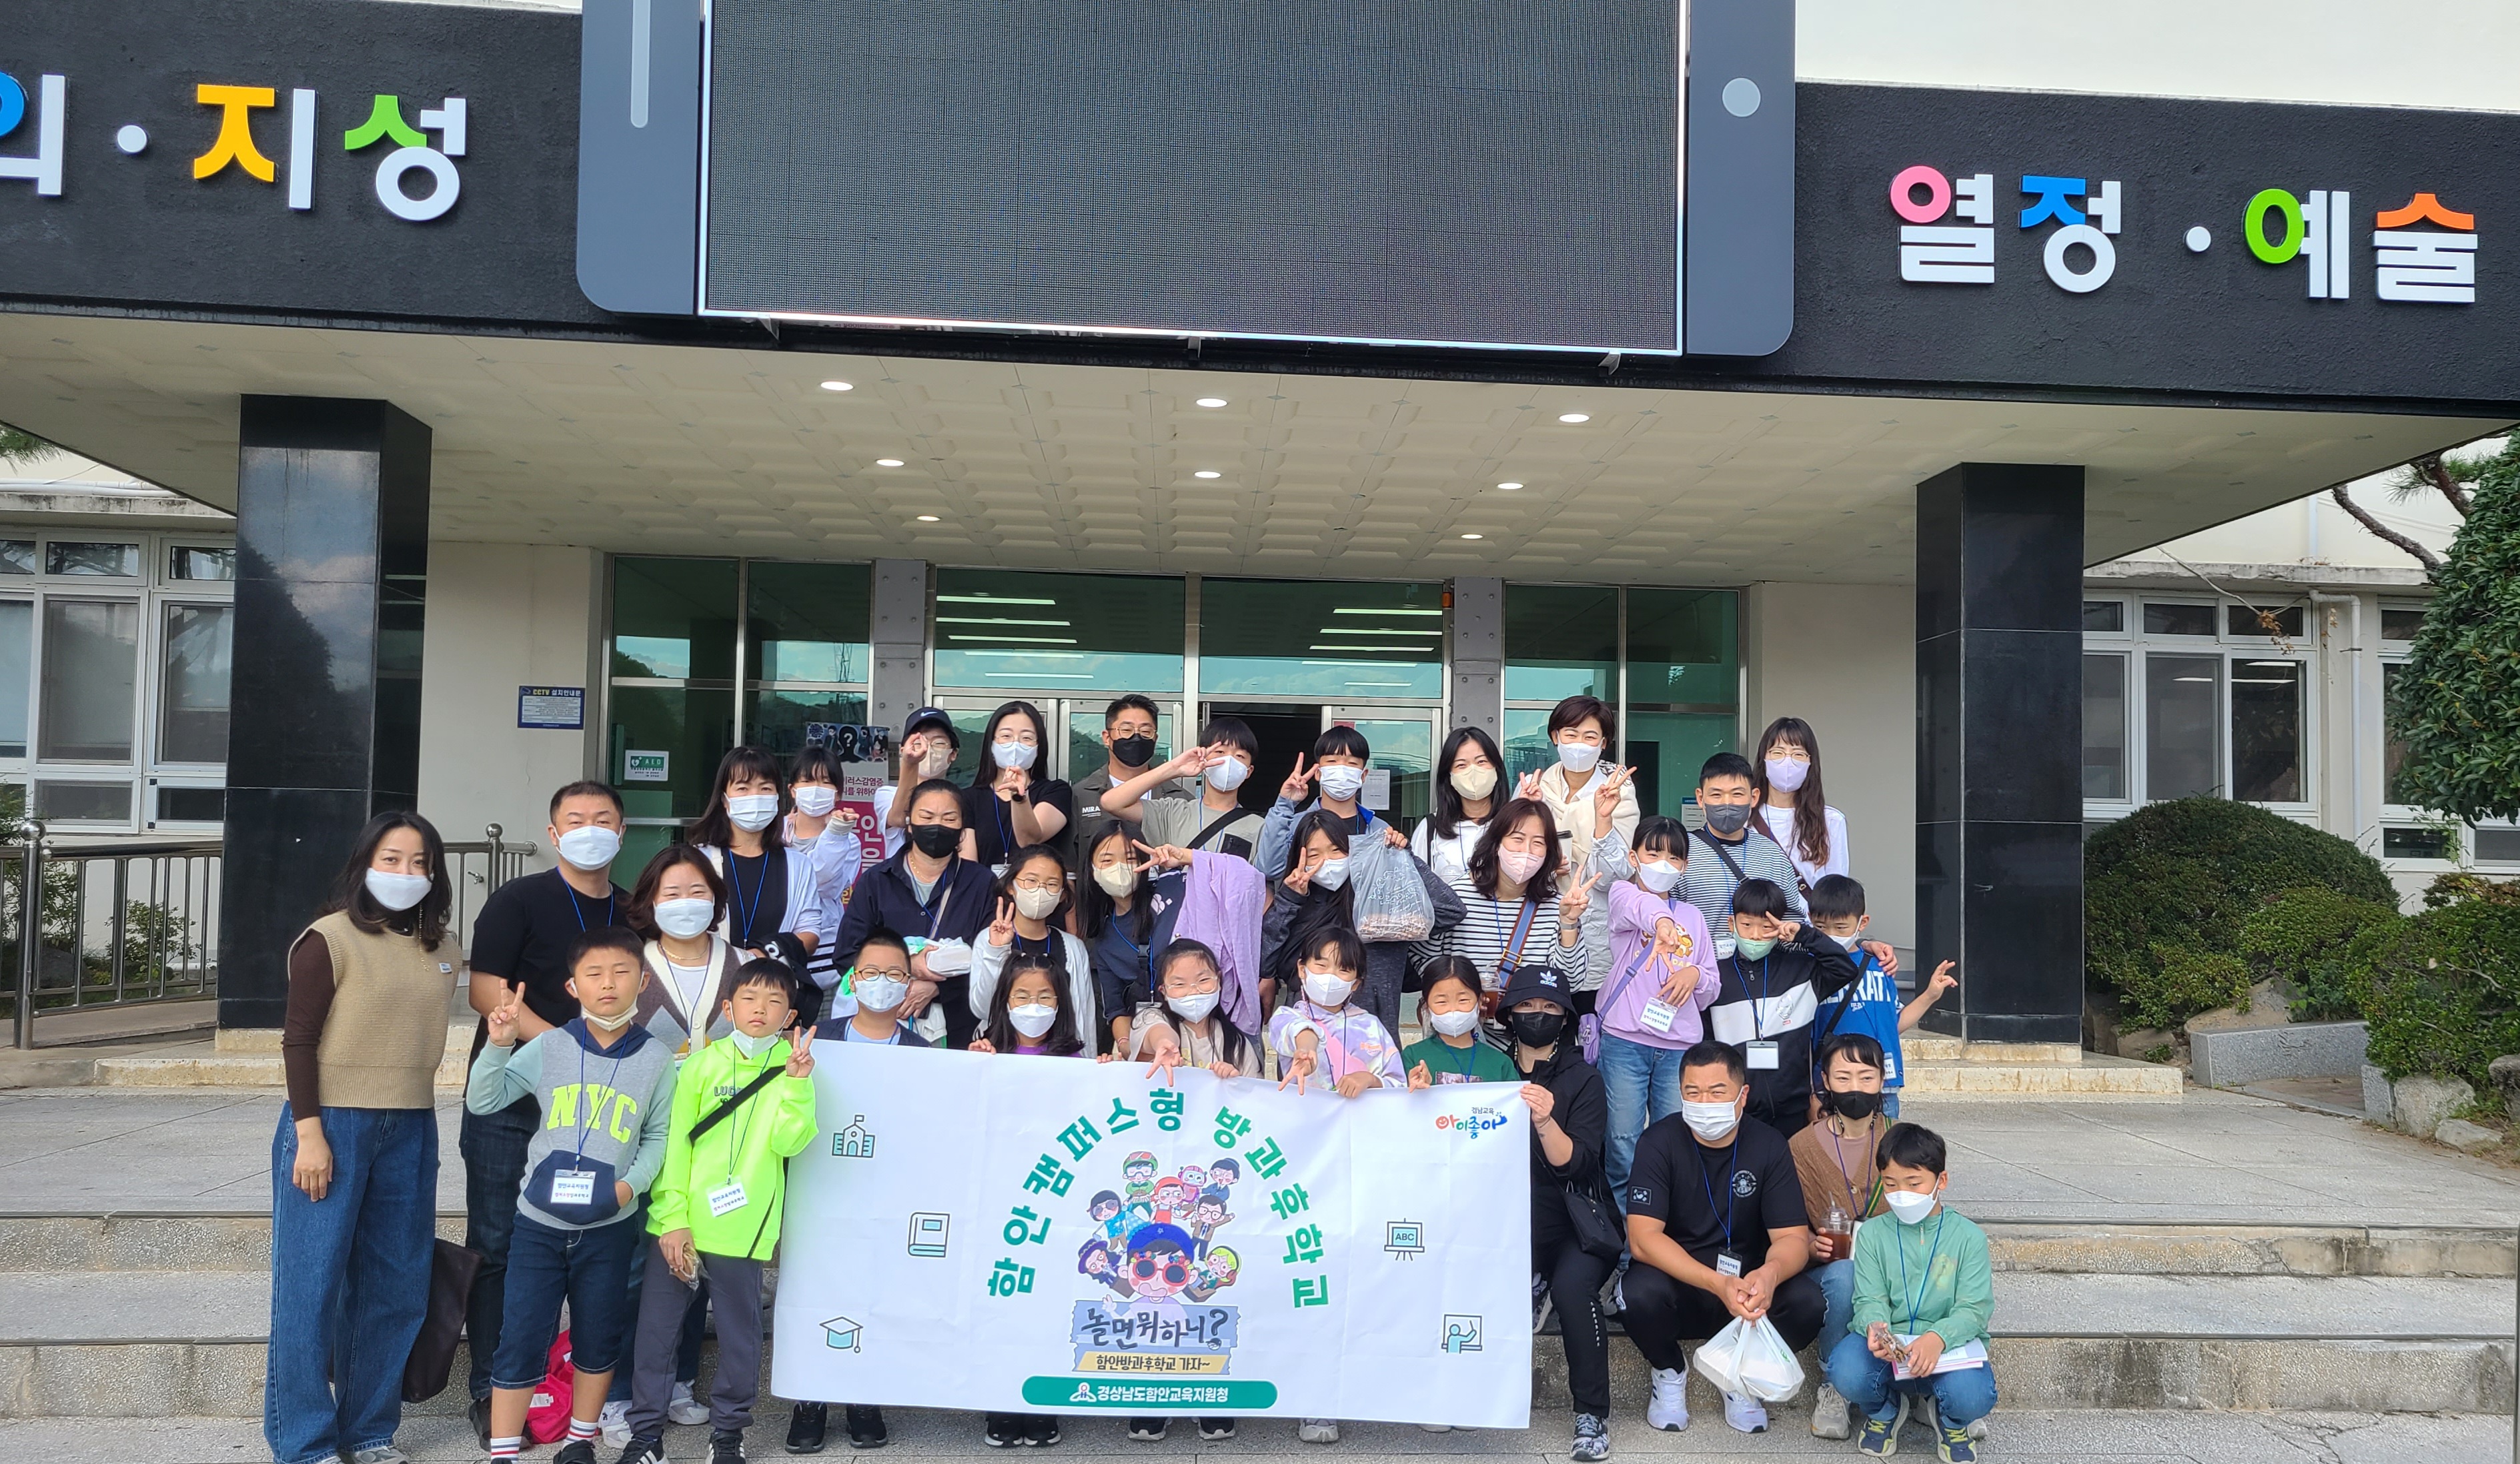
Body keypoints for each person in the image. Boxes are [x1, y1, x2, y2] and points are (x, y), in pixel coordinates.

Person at [267, 811, 460, 1464]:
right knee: (311, 1285)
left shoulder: (444, 948)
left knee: (397, 1285)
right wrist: (309, 1133)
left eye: (419, 862)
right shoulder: (328, 938)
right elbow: (298, 1039)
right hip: (330, 1123)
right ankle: (305, 1441)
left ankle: (369, 1430)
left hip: (411, 1124)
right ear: (364, 863)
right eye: (392, 858)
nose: (406, 873)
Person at [462, 781, 636, 1443]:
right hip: (515, 1099)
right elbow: (486, 988)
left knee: (593, 1241)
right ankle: (492, 1386)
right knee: (501, 1240)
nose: (590, 828)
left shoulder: (633, 909)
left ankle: (576, 1384)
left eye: (604, 818)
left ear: (622, 830)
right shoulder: (519, 898)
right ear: (555, 831)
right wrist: (563, 1048)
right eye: (576, 819)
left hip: (599, 1106)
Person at [466, 928, 678, 1464]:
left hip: (609, 1223)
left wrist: (631, 1186)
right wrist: (498, 1042)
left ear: (643, 981)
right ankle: (504, 1452)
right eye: (594, 974)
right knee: (521, 1335)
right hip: (539, 1223)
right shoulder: (551, 1045)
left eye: (621, 972)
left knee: (598, 1335)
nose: (608, 984)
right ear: (572, 985)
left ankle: (580, 1442)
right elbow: (485, 1098)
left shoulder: (657, 1059)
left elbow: (658, 1136)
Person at [618, 960, 818, 1464]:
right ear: (728, 1007)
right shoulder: (699, 1066)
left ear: (789, 1014)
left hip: (743, 1232)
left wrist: (796, 1083)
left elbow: (790, 1141)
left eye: (774, 1002)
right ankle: (646, 1436)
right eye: (750, 998)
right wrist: (671, 1218)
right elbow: (674, 1148)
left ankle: (728, 1434)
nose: (760, 1009)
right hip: (683, 1226)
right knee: (657, 1333)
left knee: (741, 1338)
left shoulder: (794, 1070)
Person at [1622, 1040, 1824, 1438]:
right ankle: (1669, 1371)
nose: (1704, 1103)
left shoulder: (1768, 1145)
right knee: (1636, 1294)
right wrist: (1716, 1282)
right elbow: (1644, 1239)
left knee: (1809, 1302)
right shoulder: (1658, 1142)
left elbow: (1793, 1238)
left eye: (1717, 1092)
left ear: (1742, 1095)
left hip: (1748, 1292)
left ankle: (1742, 1377)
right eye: (1693, 1093)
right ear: (1680, 1094)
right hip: (1682, 1283)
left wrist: (1769, 1275)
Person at [788, 930, 929, 1453]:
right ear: (853, 977)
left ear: (910, 982)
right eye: (871, 972)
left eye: (896, 974)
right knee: (812, 1293)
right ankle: (810, 1400)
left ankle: (864, 1397)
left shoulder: (923, 1051)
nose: (883, 983)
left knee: (875, 1294)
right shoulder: (816, 1037)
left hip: (886, 1198)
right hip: (821, 1190)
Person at [1263, 924, 1399, 1447]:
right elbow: (1294, 1036)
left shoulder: (1373, 1028)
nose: (1330, 977)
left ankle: (1355, 1387)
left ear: (1359, 979)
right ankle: (1313, 1398)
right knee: (1310, 1281)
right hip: (1298, 1171)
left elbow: (1399, 1084)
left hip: (1362, 1169)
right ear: (1300, 969)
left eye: (1344, 968)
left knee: (1354, 1277)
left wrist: (1371, 1080)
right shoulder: (1288, 1016)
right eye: (1320, 964)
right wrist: (1306, 1049)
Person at [1492, 966, 1614, 1462]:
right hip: (1503, 1224)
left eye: (1549, 1009)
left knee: (1573, 1289)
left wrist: (1544, 1119)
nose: (1537, 1017)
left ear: (1565, 1018)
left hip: (1575, 1225)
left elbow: (1578, 1162)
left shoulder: (1583, 1079)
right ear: (1508, 1014)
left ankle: (1592, 1414)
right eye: (1526, 1007)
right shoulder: (1492, 1072)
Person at [1826, 1123, 1996, 1461]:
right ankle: (1885, 1410)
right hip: (1893, 1353)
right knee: (1844, 1369)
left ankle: (1950, 1418)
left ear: (1940, 1182)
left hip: (1948, 1350)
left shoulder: (1968, 1237)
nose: (1902, 1193)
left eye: (1914, 1183)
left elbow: (1973, 1309)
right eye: (1891, 1184)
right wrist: (1876, 1328)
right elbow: (1869, 1297)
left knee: (1972, 1396)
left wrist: (1938, 1338)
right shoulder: (1873, 1234)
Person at [968, 950, 1084, 1447]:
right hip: (997, 1204)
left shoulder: (1074, 1059)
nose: (1033, 1006)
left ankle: (1042, 1400)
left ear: (1061, 1003)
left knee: (1048, 1301)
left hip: (1054, 1207)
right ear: (1004, 1000)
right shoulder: (983, 1052)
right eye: (1022, 996)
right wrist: (970, 1073)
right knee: (999, 1302)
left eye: (1044, 997)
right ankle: (1000, 1398)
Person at [1598, 817, 1722, 1204]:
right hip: (1624, 1044)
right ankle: (1627, 1244)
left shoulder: (1695, 917)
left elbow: (1712, 986)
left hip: (1678, 1049)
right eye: (1653, 853)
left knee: (1676, 1143)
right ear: (1634, 857)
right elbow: (1639, 906)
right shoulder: (1622, 895)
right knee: (1622, 1143)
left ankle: (1667, 1233)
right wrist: (1663, 921)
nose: (1663, 863)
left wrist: (1694, 975)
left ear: (1684, 865)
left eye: (1674, 857)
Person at [1261, 808, 1461, 1039]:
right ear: (1300, 859)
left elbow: (1450, 910)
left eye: (1336, 850)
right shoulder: (1296, 905)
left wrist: (1406, 860)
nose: (1326, 861)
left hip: (1375, 1045)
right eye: (1314, 855)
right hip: (1307, 1042)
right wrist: (1289, 899)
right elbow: (1265, 960)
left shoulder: (1380, 899)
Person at [828, 778, 999, 1048]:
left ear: (962, 830)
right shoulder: (877, 880)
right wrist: (907, 968)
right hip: (881, 1031)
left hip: (959, 1031)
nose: (937, 825)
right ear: (910, 823)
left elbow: (992, 960)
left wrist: (938, 988)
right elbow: (847, 954)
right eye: (927, 816)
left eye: (949, 818)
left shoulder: (983, 883)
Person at [1794, 1034, 1896, 1442]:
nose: (1856, 1087)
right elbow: (1784, 1223)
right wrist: (1808, 1243)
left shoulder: (1902, 1139)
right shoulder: (1800, 1146)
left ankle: (1927, 1385)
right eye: (1844, 1076)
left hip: (1893, 1268)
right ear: (1826, 1081)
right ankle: (1833, 1387)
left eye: (1866, 1076)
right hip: (1829, 1271)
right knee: (1843, 1276)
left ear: (1882, 1080)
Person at [1708, 879, 1859, 1139]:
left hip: (1794, 1110)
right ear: (1732, 924)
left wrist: (1804, 935)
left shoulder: (1801, 971)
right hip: (1738, 1110)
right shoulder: (1714, 977)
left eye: (1766, 927)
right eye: (1746, 925)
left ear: (1778, 927)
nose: (1755, 935)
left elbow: (1845, 968)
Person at [1807, 875, 1959, 1123]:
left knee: (1883, 1154)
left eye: (1841, 927)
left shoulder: (1880, 966)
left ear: (1862, 922)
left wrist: (1930, 995)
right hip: (1830, 1087)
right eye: (1821, 928)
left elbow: (1894, 1024)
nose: (1830, 935)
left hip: (1883, 1086)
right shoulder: (1809, 967)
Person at [1417, 796, 1596, 996]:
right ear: (1496, 844)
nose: (1527, 851)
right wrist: (1461, 996)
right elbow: (1425, 960)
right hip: (1466, 1023)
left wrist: (1569, 923)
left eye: (1538, 843)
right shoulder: (1457, 898)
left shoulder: (1557, 907)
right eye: (1517, 839)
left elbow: (1570, 982)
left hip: (1528, 1025)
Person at [1531, 696, 1640, 1004]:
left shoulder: (1619, 792)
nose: (1579, 744)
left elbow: (1617, 876)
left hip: (1596, 930)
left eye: (1590, 736)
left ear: (1603, 743)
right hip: (1540, 924)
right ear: (1555, 737)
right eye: (1570, 734)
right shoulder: (1537, 787)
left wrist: (1603, 820)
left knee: (1592, 1025)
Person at [687, 746, 823, 990]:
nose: (755, 796)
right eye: (742, 788)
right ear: (724, 799)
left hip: (775, 992)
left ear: (777, 797)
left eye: (765, 788)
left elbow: (810, 933)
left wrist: (762, 954)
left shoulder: (798, 864)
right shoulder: (698, 861)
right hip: (707, 988)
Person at [969, 844, 1101, 1049]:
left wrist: (1087, 1065)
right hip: (1001, 1055)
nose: (1041, 890)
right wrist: (996, 951)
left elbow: (1084, 1017)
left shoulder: (1073, 948)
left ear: (1062, 894)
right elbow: (982, 1009)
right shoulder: (988, 939)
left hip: (1060, 1060)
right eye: (1031, 881)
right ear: (1011, 886)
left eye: (1052, 884)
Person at [1682, 754, 1807, 955]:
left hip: (1762, 978)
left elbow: (1793, 922)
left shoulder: (1773, 855)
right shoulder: (1681, 852)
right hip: (1697, 978)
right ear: (1700, 798)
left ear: (1754, 797)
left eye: (1737, 794)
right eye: (1716, 795)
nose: (1727, 803)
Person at [1079, 824, 1185, 1051]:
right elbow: (1116, 1009)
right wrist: (1128, 1047)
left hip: (1202, 1032)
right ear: (1092, 870)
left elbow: (1232, 877)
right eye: (1107, 861)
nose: (1119, 868)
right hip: (1150, 1043)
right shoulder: (1104, 938)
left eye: (1130, 858)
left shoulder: (1174, 888)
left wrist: (1183, 859)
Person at [626, 844, 740, 1054]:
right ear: (651, 901)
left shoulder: (744, 965)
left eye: (698, 892)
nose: (686, 903)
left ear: (715, 897)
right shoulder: (627, 971)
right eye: (672, 895)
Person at [1104, 715, 1267, 862]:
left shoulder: (1260, 827)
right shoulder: (1172, 811)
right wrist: (1174, 768)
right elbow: (1112, 803)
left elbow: (1261, 884)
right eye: (1220, 751)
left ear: (1249, 771)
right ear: (1204, 758)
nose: (1229, 760)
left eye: (1240, 756)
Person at [1253, 725, 1383, 884]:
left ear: (1363, 776)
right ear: (1318, 773)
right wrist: (1285, 803)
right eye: (1332, 761)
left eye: (1351, 763)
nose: (1341, 769)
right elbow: (1268, 869)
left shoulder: (1378, 830)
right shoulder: (1295, 824)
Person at [786, 743, 866, 1002]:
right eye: (807, 781)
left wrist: (835, 834)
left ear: (838, 793)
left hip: (825, 962)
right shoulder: (773, 835)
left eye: (825, 782)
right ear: (792, 790)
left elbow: (823, 885)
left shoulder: (849, 842)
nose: (816, 789)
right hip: (778, 955)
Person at [1126, 937, 1261, 1080]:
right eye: (1179, 984)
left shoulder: (1236, 1043)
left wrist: (1234, 1081)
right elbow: (1157, 1032)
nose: (1194, 991)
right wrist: (1164, 1044)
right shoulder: (1150, 1018)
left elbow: (1252, 1095)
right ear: (1163, 991)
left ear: (1219, 980)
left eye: (1203, 980)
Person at [963, 700, 1073, 874]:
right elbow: (968, 868)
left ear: (1038, 747)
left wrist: (1019, 797)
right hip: (987, 898)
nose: (1016, 744)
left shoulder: (1055, 791)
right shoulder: (968, 798)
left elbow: (1030, 839)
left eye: (1027, 738)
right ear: (991, 744)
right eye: (1006, 736)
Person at [1752, 717, 1850, 895]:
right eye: (1777, 752)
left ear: (1810, 762)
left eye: (1798, 754)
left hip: (1806, 922)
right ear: (1763, 759)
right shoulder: (1745, 819)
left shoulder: (1831, 820)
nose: (1787, 762)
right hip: (1756, 922)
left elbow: (1836, 890)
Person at [1069, 693, 1169, 864]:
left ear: (1155, 738)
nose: (1136, 738)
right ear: (1107, 738)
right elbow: (1070, 867)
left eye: (1145, 732)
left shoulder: (1177, 798)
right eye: (1127, 730)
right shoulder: (1080, 795)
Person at [1411, 726, 1507, 884]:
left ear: (1496, 767)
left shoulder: (1514, 824)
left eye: (1481, 762)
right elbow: (1416, 888)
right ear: (1449, 776)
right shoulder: (1430, 828)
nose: (1473, 771)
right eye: (1461, 765)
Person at [1401, 957, 1517, 1085]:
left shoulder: (1500, 1063)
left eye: (1463, 1000)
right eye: (1441, 1002)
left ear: (1480, 1001)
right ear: (1427, 1007)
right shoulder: (1412, 1057)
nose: (1453, 1010)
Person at [876, 706, 967, 861]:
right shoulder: (887, 794)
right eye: (919, 742)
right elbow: (898, 818)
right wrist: (910, 764)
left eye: (938, 743)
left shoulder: (963, 799)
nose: (928, 749)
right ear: (903, 750)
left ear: (953, 754)